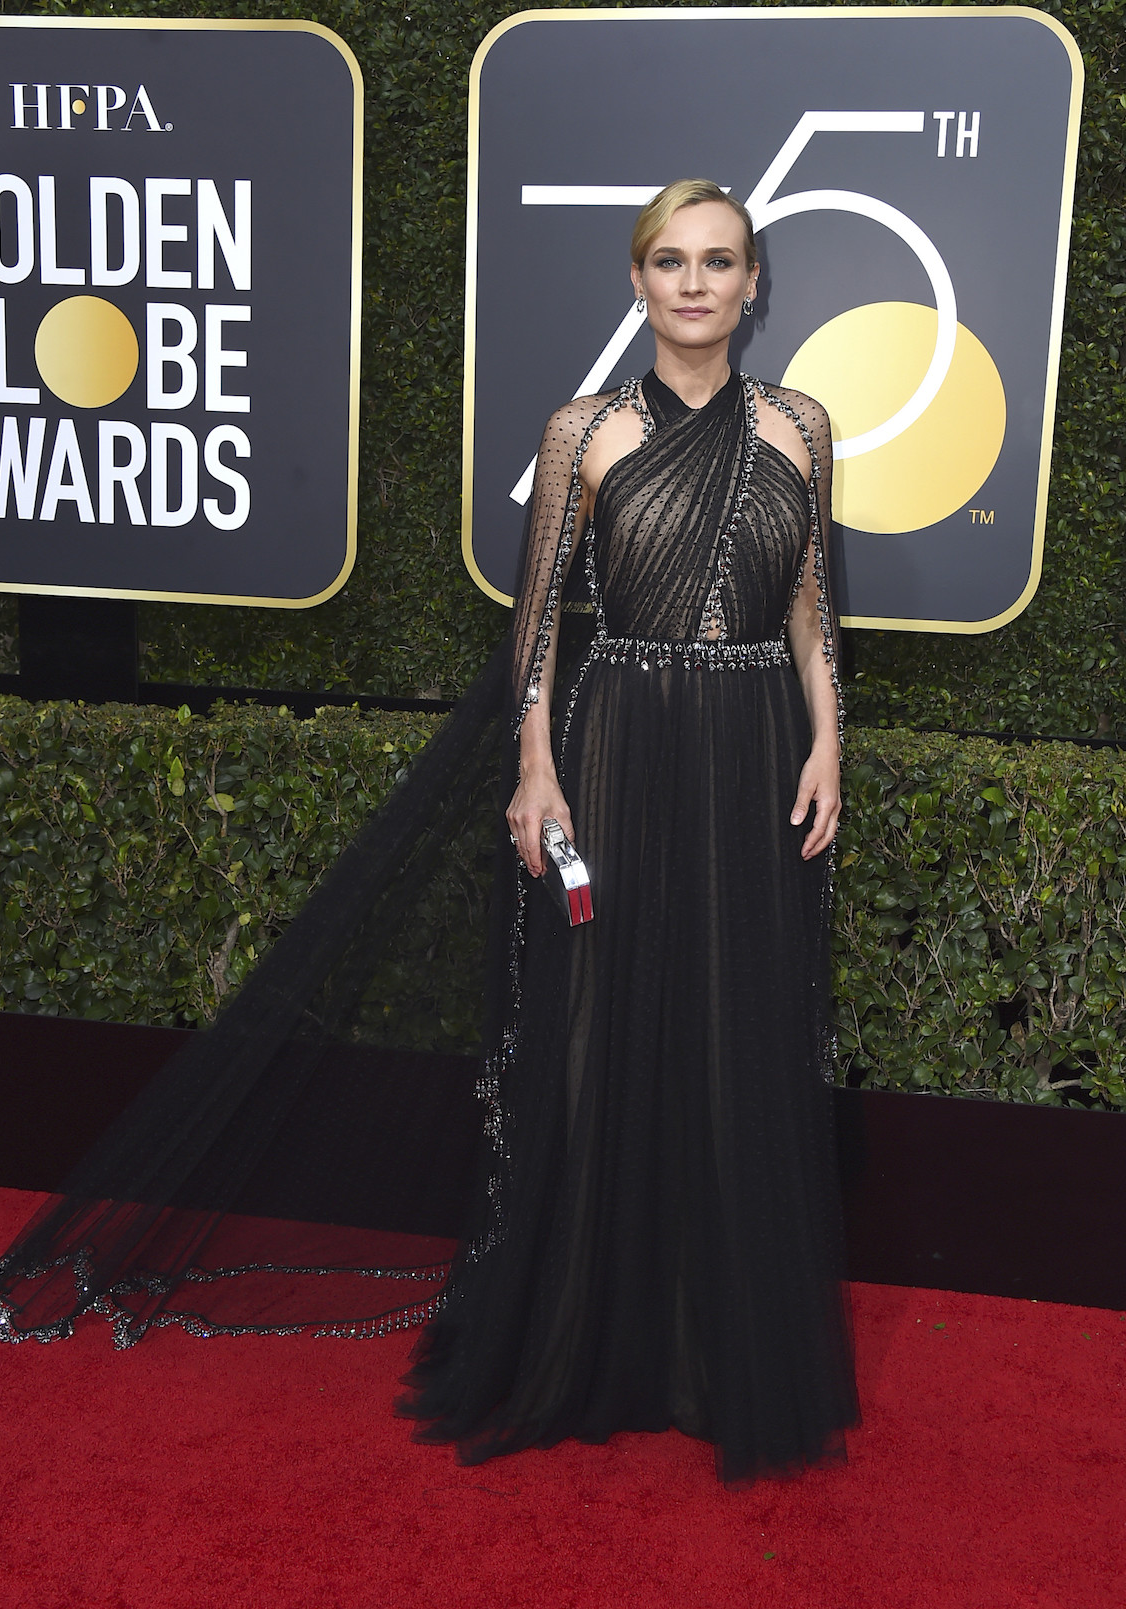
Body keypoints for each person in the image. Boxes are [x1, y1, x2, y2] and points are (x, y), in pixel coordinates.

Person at [399, 179, 861, 1483]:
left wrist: (829, 741)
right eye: (671, 261)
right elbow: (540, 618)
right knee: (599, 1022)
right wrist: (535, 769)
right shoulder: (584, 430)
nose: (695, 283)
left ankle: (716, 1346)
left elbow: (812, 608)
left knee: (733, 1025)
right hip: (615, 746)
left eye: (719, 261)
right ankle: (585, 1333)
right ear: (640, 280)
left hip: (754, 747)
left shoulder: (801, 426)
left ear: (754, 284)